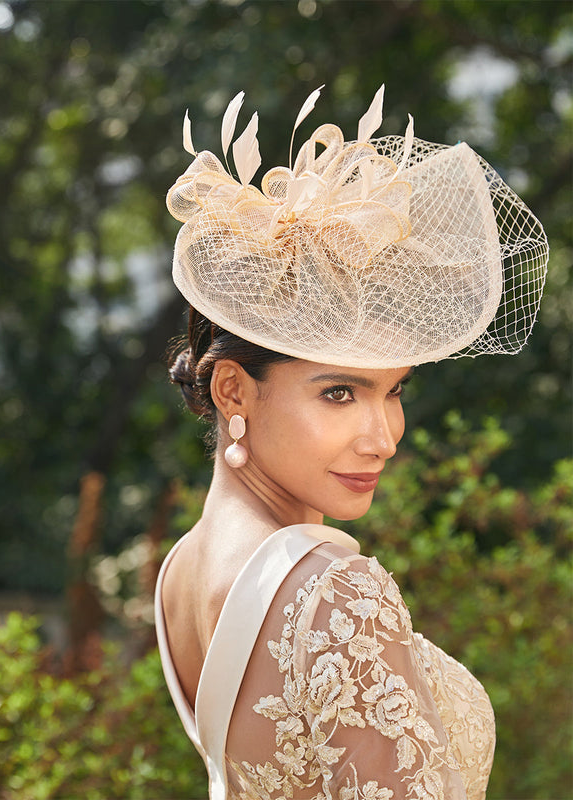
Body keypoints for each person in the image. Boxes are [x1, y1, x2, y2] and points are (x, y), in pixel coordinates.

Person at [154, 86, 548, 799]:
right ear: (232, 391)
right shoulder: (330, 590)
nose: (384, 438)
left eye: (392, 390)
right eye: (340, 393)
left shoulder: (180, 571)